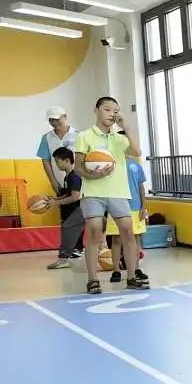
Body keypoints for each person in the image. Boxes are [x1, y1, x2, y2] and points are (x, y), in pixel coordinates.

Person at [74, 97, 148, 294]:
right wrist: (93, 174)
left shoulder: (120, 139)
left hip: (118, 192)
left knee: (128, 232)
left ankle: (131, 276)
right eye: (107, 109)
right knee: (95, 231)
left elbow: (137, 151)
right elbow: (78, 167)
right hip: (93, 193)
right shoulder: (84, 136)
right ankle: (92, 280)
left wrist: (127, 127)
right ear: (96, 110)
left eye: (115, 111)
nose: (112, 114)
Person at [36, 106, 81, 256]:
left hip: (76, 180)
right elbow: (45, 160)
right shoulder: (47, 138)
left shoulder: (78, 135)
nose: (54, 122)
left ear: (65, 117)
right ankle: (70, 247)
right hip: (61, 181)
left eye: (57, 119)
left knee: (76, 214)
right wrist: (53, 181)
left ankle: (77, 247)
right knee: (66, 215)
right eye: (51, 120)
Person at [104, 135, 149, 284]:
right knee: (117, 239)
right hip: (116, 205)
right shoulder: (110, 164)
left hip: (135, 207)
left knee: (135, 239)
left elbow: (141, 186)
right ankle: (116, 270)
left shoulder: (135, 164)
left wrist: (143, 206)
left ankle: (136, 268)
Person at [43, 146, 84, 270]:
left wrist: (56, 203)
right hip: (80, 209)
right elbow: (68, 193)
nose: (56, 164)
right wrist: (56, 199)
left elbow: (75, 196)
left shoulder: (75, 176)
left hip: (83, 208)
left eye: (57, 161)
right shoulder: (68, 176)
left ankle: (64, 258)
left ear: (67, 161)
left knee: (67, 227)